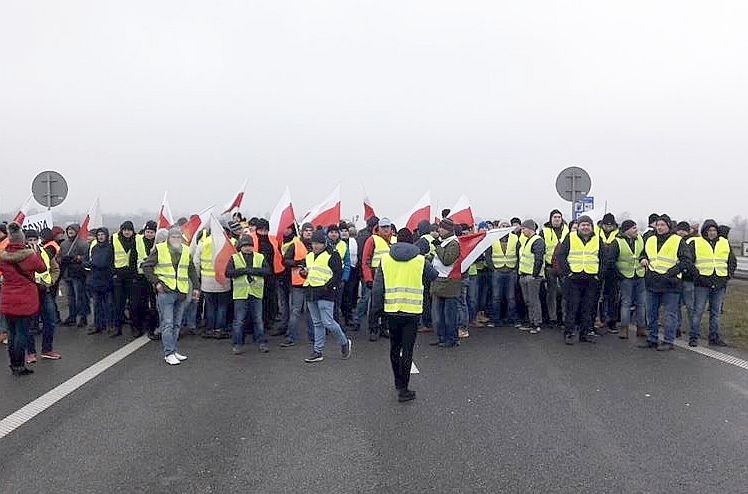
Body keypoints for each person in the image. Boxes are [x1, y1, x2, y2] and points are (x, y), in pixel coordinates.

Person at [370, 228, 437, 402]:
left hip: (392, 310)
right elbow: (434, 275)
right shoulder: (420, 260)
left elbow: (377, 289)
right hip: (412, 311)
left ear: (396, 240)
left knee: (394, 347)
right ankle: (405, 389)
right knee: (407, 350)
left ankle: (397, 381)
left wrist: (375, 313)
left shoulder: (385, 259)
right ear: (412, 241)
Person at [142, 226, 200, 365]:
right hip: (166, 291)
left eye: (178, 237)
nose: (176, 239)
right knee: (167, 323)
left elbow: (191, 269)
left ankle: (173, 350)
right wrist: (156, 283)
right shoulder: (160, 248)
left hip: (181, 291)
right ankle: (168, 353)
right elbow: (146, 266)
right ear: (169, 238)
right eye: (173, 237)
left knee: (176, 324)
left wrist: (196, 287)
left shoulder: (186, 250)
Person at [638, 215, 693, 351]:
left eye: (662, 225)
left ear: (668, 226)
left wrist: (671, 272)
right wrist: (643, 259)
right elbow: (643, 253)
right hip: (652, 281)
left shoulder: (677, 241)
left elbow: (686, 261)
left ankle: (669, 341)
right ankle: (652, 339)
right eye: (658, 225)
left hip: (671, 283)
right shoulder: (650, 239)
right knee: (651, 313)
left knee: (670, 315)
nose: (660, 227)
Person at [0, 223, 47, 375]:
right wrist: (34, 251)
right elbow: (42, 268)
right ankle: (20, 365)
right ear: (22, 240)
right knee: (21, 333)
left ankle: (13, 364)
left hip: (8, 298)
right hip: (25, 299)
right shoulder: (30, 256)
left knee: (12, 333)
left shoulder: (3, 256)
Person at [301, 230, 352, 363]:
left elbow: (337, 274)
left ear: (324, 243)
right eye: (314, 243)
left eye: (319, 243)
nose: (316, 246)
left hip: (325, 292)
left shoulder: (332, 255)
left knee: (328, 322)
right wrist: (303, 272)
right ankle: (318, 351)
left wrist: (327, 287)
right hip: (311, 291)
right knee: (317, 323)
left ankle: (344, 342)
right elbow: (310, 272)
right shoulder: (309, 255)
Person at [689, 219, 737, 347]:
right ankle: (694, 337)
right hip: (702, 283)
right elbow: (689, 262)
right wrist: (697, 276)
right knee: (698, 311)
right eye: (709, 230)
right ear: (705, 231)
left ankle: (714, 337)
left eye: (714, 230)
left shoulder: (724, 243)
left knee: (715, 312)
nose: (712, 233)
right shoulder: (697, 243)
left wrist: (728, 275)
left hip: (720, 281)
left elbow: (731, 260)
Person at [557, 216, 602, 344]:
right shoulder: (570, 237)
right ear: (579, 227)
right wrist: (568, 273)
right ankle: (569, 333)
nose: (585, 227)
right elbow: (561, 256)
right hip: (574, 278)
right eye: (583, 225)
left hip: (591, 278)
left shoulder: (597, 239)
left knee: (588, 308)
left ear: (592, 227)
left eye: (588, 225)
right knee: (572, 307)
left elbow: (604, 258)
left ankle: (585, 334)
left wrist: (599, 275)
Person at [226, 235, 272, 354]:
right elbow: (228, 272)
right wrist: (244, 271)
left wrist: (251, 270)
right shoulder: (234, 258)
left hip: (256, 292)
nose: (247, 248)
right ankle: (237, 344)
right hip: (240, 294)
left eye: (250, 246)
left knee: (258, 319)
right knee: (239, 320)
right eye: (245, 246)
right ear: (240, 247)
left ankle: (261, 342)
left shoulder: (260, 257)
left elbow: (267, 271)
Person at [25, 229, 61, 362]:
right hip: (29, 293)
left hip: (44, 291)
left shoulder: (45, 252)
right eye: (30, 240)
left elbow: (55, 269)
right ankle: (31, 353)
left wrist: (50, 282)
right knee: (30, 324)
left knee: (50, 321)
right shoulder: (22, 254)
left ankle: (47, 349)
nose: (33, 243)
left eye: (34, 240)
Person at [607, 220, 647, 339]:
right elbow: (611, 261)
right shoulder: (617, 242)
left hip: (640, 275)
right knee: (626, 303)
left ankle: (641, 327)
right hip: (626, 277)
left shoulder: (640, 239)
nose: (636, 230)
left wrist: (643, 258)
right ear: (626, 230)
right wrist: (620, 276)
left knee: (641, 303)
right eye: (634, 228)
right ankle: (624, 328)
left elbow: (644, 253)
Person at [361, 217, 396, 341]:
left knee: (388, 304)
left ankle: (384, 328)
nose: (386, 229)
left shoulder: (395, 240)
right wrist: (368, 279)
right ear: (379, 228)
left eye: (388, 227)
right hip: (376, 276)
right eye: (383, 227)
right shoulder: (372, 240)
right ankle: (373, 329)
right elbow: (365, 261)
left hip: (392, 276)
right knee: (375, 305)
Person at [429, 218, 462, 348]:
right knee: (439, 314)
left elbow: (447, 260)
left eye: (441, 228)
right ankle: (442, 337)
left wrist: (437, 246)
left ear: (447, 229)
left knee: (449, 315)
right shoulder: (445, 242)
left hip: (449, 283)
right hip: (440, 281)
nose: (439, 230)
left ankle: (451, 338)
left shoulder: (453, 243)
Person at [196, 226, 233, 339]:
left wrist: (198, 277)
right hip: (223, 280)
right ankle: (219, 329)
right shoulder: (227, 243)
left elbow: (196, 261)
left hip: (207, 280)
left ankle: (210, 329)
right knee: (222, 306)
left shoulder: (203, 243)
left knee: (210, 306)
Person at [279, 223, 312, 347]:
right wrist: (298, 262)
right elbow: (285, 261)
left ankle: (313, 337)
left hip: (312, 283)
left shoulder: (317, 245)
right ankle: (291, 337)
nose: (308, 233)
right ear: (302, 232)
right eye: (306, 230)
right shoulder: (295, 244)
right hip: (297, 283)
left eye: (310, 231)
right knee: (296, 311)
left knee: (311, 311)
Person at [485, 221, 519, 328]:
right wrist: (492, 268)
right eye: (502, 226)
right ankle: (495, 319)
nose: (504, 228)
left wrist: (515, 268)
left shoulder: (515, 238)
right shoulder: (493, 238)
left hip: (510, 270)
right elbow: (488, 255)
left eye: (507, 226)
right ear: (499, 228)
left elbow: (519, 254)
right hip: (497, 271)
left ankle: (511, 319)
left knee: (511, 297)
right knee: (496, 297)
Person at [540, 209, 569, 327]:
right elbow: (541, 250)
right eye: (554, 217)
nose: (557, 219)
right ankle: (552, 318)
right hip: (550, 267)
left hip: (564, 267)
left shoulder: (567, 230)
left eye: (559, 217)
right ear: (550, 219)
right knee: (551, 294)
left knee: (565, 294)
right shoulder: (544, 231)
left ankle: (564, 317)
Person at [59, 223, 90, 328]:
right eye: (69, 230)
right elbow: (59, 257)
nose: (70, 232)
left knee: (80, 296)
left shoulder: (83, 244)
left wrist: (77, 258)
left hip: (78, 273)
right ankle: (72, 316)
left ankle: (83, 316)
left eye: (72, 230)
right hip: (67, 273)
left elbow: (86, 257)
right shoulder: (64, 244)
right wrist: (62, 260)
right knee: (70, 297)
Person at [517, 220, 545, 334]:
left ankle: (537, 323)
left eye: (524, 229)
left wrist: (534, 274)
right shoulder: (527, 241)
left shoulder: (537, 241)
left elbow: (539, 259)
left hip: (532, 276)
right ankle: (531, 321)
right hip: (524, 274)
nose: (522, 231)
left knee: (534, 300)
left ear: (530, 229)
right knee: (528, 300)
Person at [131, 221, 158, 339]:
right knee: (138, 304)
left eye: (152, 232)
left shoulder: (159, 244)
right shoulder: (138, 241)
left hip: (153, 277)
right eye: (147, 232)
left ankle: (152, 328)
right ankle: (137, 327)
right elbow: (132, 258)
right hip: (140, 277)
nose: (149, 234)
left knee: (153, 305)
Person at [85, 228, 114, 336]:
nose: (101, 237)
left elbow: (102, 263)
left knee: (108, 304)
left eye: (103, 234)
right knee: (96, 304)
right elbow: (90, 260)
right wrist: (88, 263)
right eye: (99, 235)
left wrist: (89, 264)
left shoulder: (110, 248)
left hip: (106, 279)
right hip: (95, 280)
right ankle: (98, 325)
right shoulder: (95, 248)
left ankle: (109, 325)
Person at [111, 221, 138, 338]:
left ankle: (135, 327)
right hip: (118, 276)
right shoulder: (114, 239)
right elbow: (110, 257)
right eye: (125, 230)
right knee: (118, 304)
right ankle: (117, 328)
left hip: (132, 276)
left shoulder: (137, 240)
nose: (127, 232)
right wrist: (113, 273)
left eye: (129, 230)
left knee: (133, 304)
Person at [596, 213, 620, 333]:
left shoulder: (618, 234)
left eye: (611, 225)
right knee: (598, 295)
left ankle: (612, 321)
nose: (608, 227)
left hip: (613, 269)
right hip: (598, 267)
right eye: (606, 225)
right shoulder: (596, 232)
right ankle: (600, 318)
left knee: (612, 296)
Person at [415, 221, 438, 330]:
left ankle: (426, 323)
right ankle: (432, 321)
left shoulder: (422, 241)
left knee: (425, 299)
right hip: (434, 271)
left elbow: (417, 257)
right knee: (431, 298)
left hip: (424, 273)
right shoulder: (434, 240)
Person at [674, 221, 696, 339]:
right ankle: (676, 327)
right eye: (680, 229)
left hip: (688, 279)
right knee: (676, 305)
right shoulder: (673, 241)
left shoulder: (692, 242)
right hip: (676, 278)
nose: (681, 232)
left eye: (684, 230)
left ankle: (693, 330)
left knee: (690, 306)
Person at [327, 223, 350, 324]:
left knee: (337, 303)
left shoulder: (343, 245)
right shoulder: (324, 244)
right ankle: (327, 324)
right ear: (328, 233)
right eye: (331, 232)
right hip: (326, 278)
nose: (334, 234)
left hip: (339, 279)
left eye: (336, 232)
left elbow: (347, 262)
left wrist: (344, 278)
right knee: (327, 304)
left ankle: (336, 324)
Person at [341, 223, 359, 326]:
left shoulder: (354, 242)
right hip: (339, 272)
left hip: (352, 271)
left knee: (349, 295)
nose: (344, 233)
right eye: (342, 231)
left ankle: (348, 317)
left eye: (346, 231)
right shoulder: (337, 244)